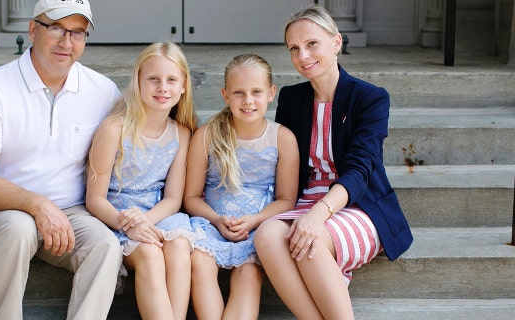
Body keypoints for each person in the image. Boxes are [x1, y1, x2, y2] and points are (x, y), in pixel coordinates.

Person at [0, 1, 123, 319]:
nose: (67, 42)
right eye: (57, 29)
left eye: (78, 33)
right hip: (0, 211)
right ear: (33, 29)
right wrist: (37, 204)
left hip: (72, 212)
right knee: (19, 228)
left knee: (106, 246)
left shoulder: (104, 92)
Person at [254, 5, 414, 320]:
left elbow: (361, 168)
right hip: (304, 200)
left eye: (312, 44)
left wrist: (319, 214)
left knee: (309, 241)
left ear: (336, 42)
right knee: (266, 236)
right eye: (294, 49)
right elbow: (282, 161)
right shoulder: (291, 98)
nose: (303, 55)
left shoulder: (370, 98)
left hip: (357, 204)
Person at [85, 42, 200, 320]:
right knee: (149, 254)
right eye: (153, 79)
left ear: (183, 86)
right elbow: (94, 199)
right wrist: (131, 224)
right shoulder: (115, 129)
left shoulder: (181, 133)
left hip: (157, 213)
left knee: (179, 244)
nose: (162, 87)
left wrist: (146, 220)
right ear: (138, 82)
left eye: (171, 79)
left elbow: (174, 198)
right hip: (117, 216)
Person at [183, 54, 300, 320]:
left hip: (256, 227)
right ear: (225, 94)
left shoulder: (282, 138)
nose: (248, 101)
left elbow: (286, 200)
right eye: (239, 92)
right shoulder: (207, 135)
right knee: (199, 263)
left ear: (271, 93)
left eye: (256, 92)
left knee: (248, 273)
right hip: (211, 223)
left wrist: (255, 220)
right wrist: (215, 219)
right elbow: (190, 196)